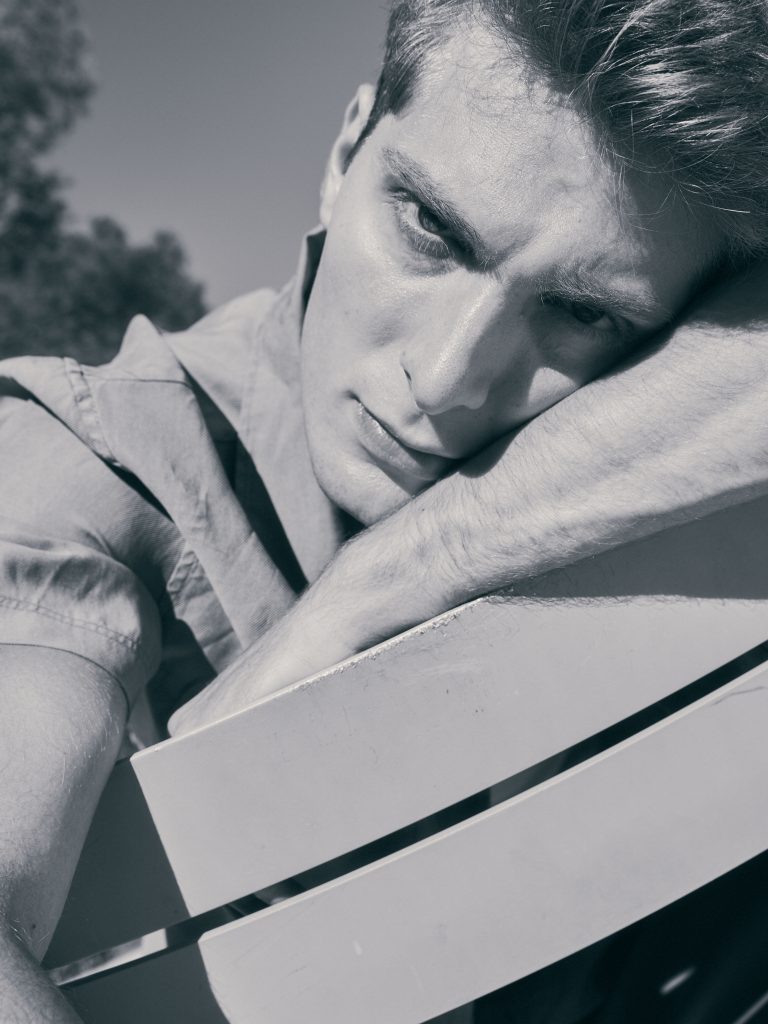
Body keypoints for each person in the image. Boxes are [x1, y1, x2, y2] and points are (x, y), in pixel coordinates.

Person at [1, 1, 767, 1022]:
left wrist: (399, 572)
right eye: (430, 229)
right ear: (345, 150)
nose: (447, 377)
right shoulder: (94, 460)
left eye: (583, 311)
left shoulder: (684, 492)